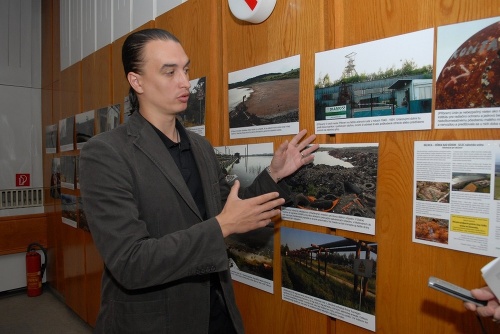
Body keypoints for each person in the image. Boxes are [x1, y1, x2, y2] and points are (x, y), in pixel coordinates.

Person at [79, 28, 319, 334]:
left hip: (216, 312)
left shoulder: (201, 147)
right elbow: (131, 262)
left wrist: (274, 173)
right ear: (136, 81)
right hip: (154, 322)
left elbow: (230, 208)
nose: (185, 82)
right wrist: (222, 226)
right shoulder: (106, 153)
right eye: (169, 72)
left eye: (186, 69)